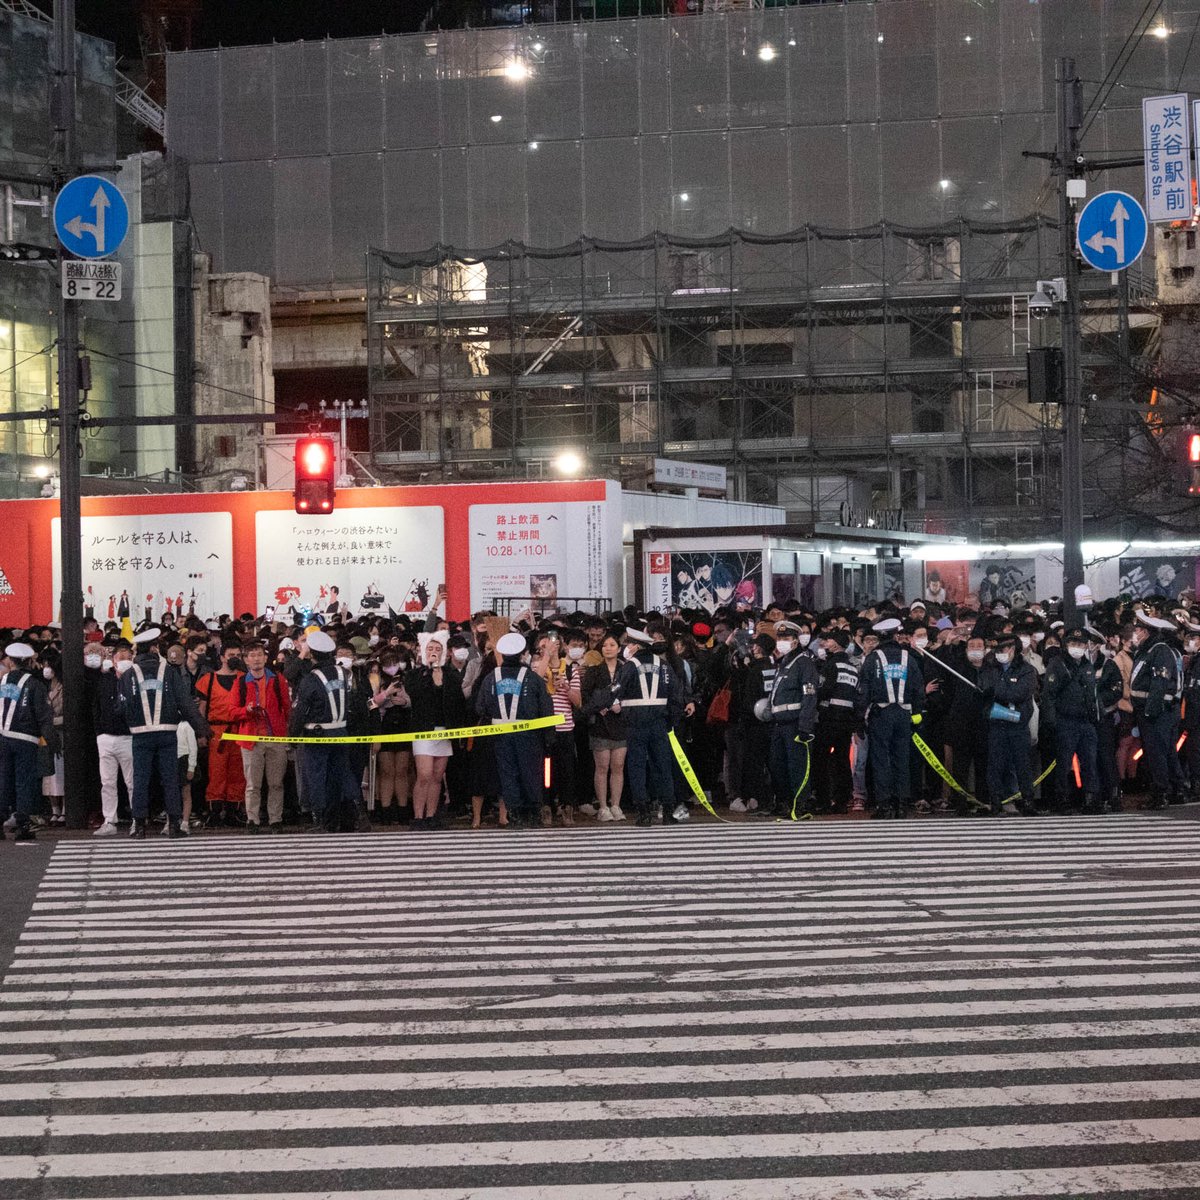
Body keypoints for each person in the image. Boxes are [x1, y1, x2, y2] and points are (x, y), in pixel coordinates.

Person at [120, 628, 211, 839]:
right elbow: (186, 704)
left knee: (140, 779)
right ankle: (174, 825)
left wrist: (132, 722)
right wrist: (202, 729)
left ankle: (139, 825)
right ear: (154, 648)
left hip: (140, 735)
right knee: (170, 780)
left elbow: (120, 707)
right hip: (168, 734)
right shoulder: (169, 672)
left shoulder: (128, 675)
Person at [477, 631, 554, 827]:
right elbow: (546, 708)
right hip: (529, 734)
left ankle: (515, 814)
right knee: (531, 771)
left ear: (502, 654)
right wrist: (549, 737)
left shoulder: (490, 678)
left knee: (508, 772)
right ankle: (534, 814)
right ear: (522, 654)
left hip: (500, 735)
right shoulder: (533, 678)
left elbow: (480, 707)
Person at [616, 626, 689, 826]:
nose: (627, 647)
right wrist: (670, 723)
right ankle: (667, 812)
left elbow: (616, 692)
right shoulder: (664, 665)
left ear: (636, 646)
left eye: (629, 644)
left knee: (637, 767)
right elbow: (676, 697)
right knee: (663, 767)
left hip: (635, 724)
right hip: (659, 724)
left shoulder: (629, 666)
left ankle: (643, 813)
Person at [287, 629, 356, 832]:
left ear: (313, 653)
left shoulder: (311, 678)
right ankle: (351, 816)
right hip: (341, 733)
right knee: (341, 775)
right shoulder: (345, 673)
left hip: (317, 736)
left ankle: (322, 821)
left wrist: (293, 736)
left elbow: (300, 711)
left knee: (316, 777)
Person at [855, 617, 925, 819]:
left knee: (880, 759)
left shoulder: (873, 659)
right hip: (904, 714)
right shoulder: (908, 658)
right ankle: (901, 803)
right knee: (902, 758)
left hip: (881, 714)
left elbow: (863, 691)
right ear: (896, 635)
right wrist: (917, 716)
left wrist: (860, 718)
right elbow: (918, 690)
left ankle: (884, 804)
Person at [406, 630, 467, 829]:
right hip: (424, 728)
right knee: (424, 774)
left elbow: (457, 700)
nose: (434, 652)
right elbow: (414, 694)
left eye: (437, 649)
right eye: (430, 648)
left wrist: (441, 681)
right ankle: (417, 816)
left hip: (445, 728)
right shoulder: (416, 674)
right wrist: (429, 673)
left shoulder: (450, 674)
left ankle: (432, 815)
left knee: (437, 775)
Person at [230, 639, 291, 832]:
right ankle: (253, 819)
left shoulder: (277, 679)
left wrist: (288, 733)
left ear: (266, 658)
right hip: (250, 738)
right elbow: (231, 711)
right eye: (252, 655)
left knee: (276, 782)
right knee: (252, 784)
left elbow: (287, 707)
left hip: (275, 737)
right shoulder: (240, 682)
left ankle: (275, 819)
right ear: (246, 660)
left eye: (259, 655)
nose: (256, 659)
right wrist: (246, 711)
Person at [761, 619, 820, 819]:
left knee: (798, 766)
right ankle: (784, 803)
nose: (782, 642)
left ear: (796, 641)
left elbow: (809, 695)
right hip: (779, 724)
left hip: (796, 723)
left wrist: (805, 725)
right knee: (778, 766)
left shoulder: (804, 663)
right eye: (780, 638)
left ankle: (800, 804)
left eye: (786, 638)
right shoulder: (783, 663)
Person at [0, 642, 58, 842]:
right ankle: (23, 825)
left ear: (11, 661)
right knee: (24, 783)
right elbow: (43, 716)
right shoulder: (34, 684)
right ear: (29, 661)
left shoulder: (3, 681)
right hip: (26, 739)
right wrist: (52, 741)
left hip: (3, 737)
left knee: (3, 780)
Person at [1129, 610, 1187, 808]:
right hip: (1154, 712)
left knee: (1157, 754)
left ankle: (1160, 793)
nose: (1135, 633)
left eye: (1137, 629)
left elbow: (1159, 684)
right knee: (1166, 752)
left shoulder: (1159, 651)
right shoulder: (1148, 650)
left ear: (1146, 631)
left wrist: (1149, 712)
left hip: (1157, 713)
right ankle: (1175, 788)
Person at [1040, 628, 1101, 813]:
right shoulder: (1057, 664)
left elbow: (1092, 695)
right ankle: (1062, 800)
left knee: (1090, 761)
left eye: (1081, 644)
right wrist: (1051, 721)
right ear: (1066, 645)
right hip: (1065, 720)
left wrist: (1096, 717)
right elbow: (1048, 695)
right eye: (1073, 644)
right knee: (1064, 763)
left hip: (1085, 721)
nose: (1077, 648)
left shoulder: (1087, 666)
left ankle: (1091, 799)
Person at [978, 632, 1038, 816]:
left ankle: (1027, 801)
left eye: (1002, 649)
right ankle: (995, 801)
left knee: (1022, 765)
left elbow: (1019, 694)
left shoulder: (1027, 670)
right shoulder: (990, 668)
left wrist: (997, 690)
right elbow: (982, 690)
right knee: (995, 765)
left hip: (1018, 725)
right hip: (996, 724)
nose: (999, 653)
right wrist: (1000, 690)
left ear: (1012, 649)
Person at [195, 637, 247, 825]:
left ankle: (233, 812)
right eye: (231, 655)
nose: (234, 658)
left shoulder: (244, 678)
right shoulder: (208, 680)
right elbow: (202, 708)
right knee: (216, 772)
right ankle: (215, 812)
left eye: (238, 655)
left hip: (239, 730)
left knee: (238, 772)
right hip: (216, 731)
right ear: (222, 657)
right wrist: (201, 733)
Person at [580, 631, 628, 821]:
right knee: (602, 766)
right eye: (605, 645)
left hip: (620, 722)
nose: (608, 648)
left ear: (619, 648)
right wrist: (597, 707)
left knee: (618, 766)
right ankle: (602, 806)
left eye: (612, 645)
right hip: (600, 723)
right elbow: (585, 695)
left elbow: (632, 692)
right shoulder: (594, 671)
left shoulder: (626, 670)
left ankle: (616, 805)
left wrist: (621, 705)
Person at [91, 641, 134, 835]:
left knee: (132, 781)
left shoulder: (135, 680)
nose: (124, 662)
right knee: (107, 781)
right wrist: (99, 731)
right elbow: (95, 707)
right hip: (106, 737)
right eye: (120, 658)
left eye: (128, 658)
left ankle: (137, 818)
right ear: (113, 660)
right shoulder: (104, 680)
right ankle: (109, 820)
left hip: (128, 737)